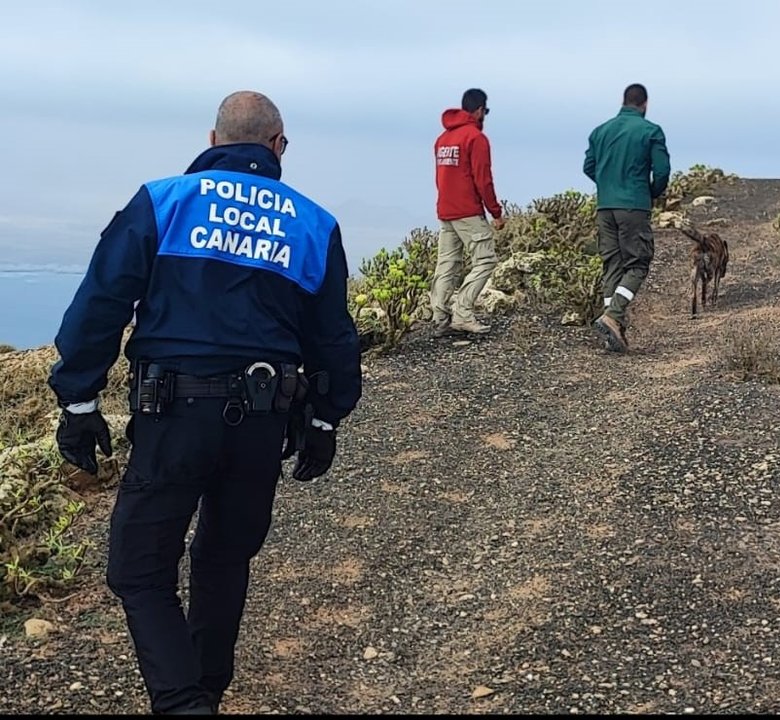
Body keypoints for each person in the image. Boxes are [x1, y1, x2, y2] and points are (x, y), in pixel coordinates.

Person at [47, 91, 362, 715]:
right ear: (279, 146)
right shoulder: (313, 223)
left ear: (214, 142)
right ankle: (206, 686)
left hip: (173, 415)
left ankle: (184, 702)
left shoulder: (162, 202)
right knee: (224, 553)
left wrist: (78, 400)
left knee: (138, 570)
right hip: (263, 419)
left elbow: (103, 302)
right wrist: (326, 416)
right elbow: (333, 335)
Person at [583, 83, 671, 352]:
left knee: (612, 265)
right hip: (634, 205)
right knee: (638, 263)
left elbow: (589, 166)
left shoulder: (600, 131)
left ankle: (614, 332)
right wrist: (650, 192)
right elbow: (663, 170)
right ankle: (614, 315)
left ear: (623, 102)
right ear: (644, 104)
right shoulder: (650, 131)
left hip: (605, 207)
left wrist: (608, 185)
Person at [430, 87, 506, 337]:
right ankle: (463, 314)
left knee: (447, 264)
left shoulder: (442, 139)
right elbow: (483, 179)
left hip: (446, 210)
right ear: (480, 110)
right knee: (485, 260)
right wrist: (495, 212)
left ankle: (440, 316)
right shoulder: (475, 138)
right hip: (468, 211)